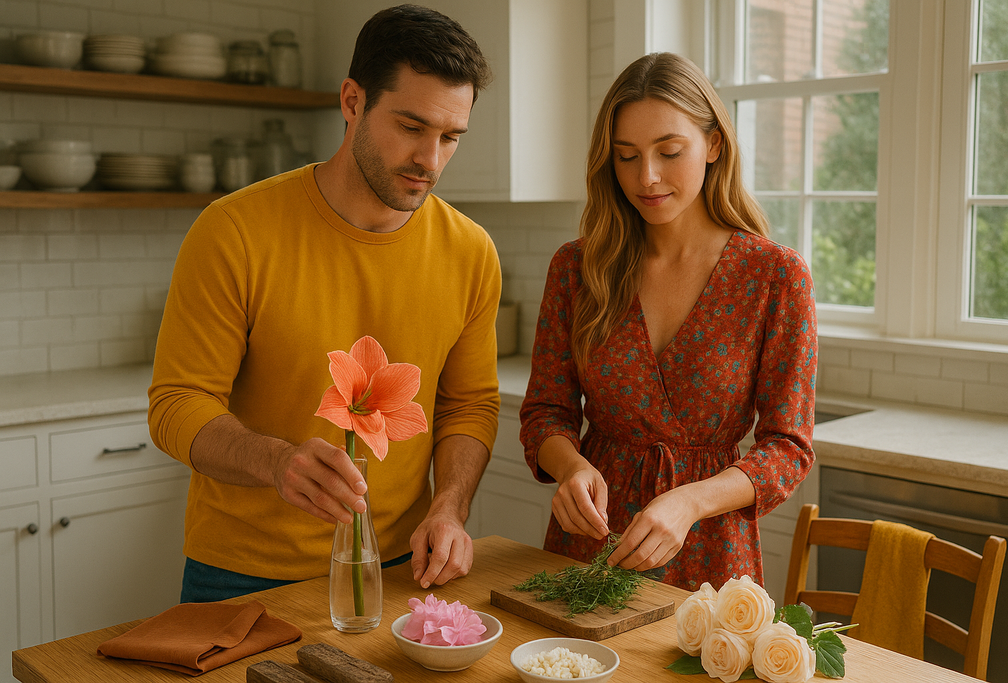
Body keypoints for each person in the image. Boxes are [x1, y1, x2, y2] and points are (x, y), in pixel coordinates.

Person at [149, 4, 500, 602]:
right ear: (352, 101)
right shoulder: (234, 230)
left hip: (396, 566)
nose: (431, 160)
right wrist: (275, 462)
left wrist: (448, 508)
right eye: (411, 127)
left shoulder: (471, 251)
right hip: (241, 574)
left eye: (450, 136)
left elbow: (469, 406)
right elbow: (176, 404)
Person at [519, 52, 817, 591]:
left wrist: (690, 501)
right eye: (626, 156)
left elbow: (788, 448)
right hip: (592, 546)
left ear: (714, 145)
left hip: (711, 553)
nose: (647, 177)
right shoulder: (578, 268)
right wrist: (571, 468)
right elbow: (545, 413)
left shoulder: (774, 276)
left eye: (669, 152)